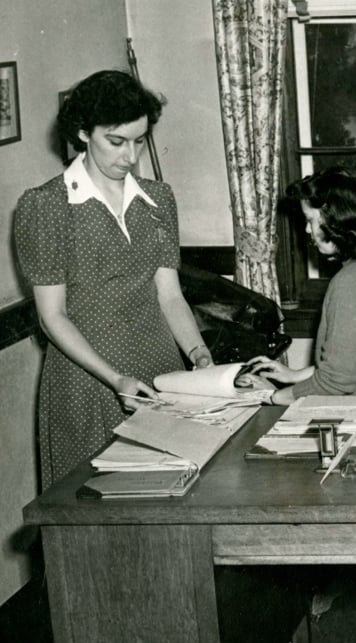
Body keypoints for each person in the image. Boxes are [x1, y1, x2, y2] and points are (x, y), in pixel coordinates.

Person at [14, 69, 213, 490]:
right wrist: (114, 378)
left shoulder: (158, 200)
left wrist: (198, 355)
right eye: (116, 141)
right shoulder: (46, 206)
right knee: (96, 519)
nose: (130, 157)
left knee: (172, 503)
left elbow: (170, 296)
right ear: (83, 133)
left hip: (160, 372)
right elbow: (53, 318)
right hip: (87, 381)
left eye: (139, 141)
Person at [247, 166, 356, 405]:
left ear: (337, 221)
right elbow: (354, 365)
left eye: (311, 220)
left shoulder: (349, 283)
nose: (307, 230)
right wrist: (293, 376)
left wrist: (271, 397)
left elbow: (336, 382)